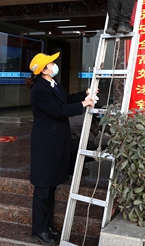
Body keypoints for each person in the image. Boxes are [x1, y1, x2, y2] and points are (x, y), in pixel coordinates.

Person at [26, 52, 96, 245]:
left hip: (55, 142)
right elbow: (58, 111)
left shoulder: (52, 84)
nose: (54, 65)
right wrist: (83, 104)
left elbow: (67, 99)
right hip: (45, 144)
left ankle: (47, 227)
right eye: (51, 63)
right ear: (44, 69)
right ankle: (39, 230)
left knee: (51, 187)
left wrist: (85, 94)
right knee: (43, 188)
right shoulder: (39, 89)